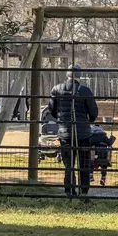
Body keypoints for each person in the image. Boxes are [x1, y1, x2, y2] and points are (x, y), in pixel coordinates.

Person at [48, 63, 99, 197]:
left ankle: (70, 190)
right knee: (83, 163)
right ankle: (84, 190)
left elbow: (52, 111)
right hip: (83, 134)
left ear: (67, 75)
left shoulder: (56, 89)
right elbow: (94, 112)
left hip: (65, 133)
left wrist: (62, 122)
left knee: (68, 165)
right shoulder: (85, 91)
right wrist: (88, 122)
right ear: (80, 76)